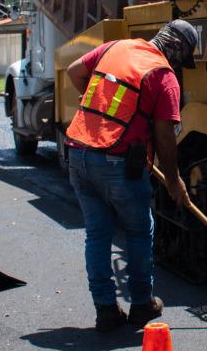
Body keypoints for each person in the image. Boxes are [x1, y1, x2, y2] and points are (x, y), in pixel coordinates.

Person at [63, 20, 197, 332]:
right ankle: (141, 304)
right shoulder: (163, 76)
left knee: (98, 234)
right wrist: (175, 180)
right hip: (117, 163)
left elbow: (74, 72)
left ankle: (106, 310)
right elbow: (165, 136)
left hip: (79, 152)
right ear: (176, 52)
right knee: (138, 232)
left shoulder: (118, 46)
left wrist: (103, 109)